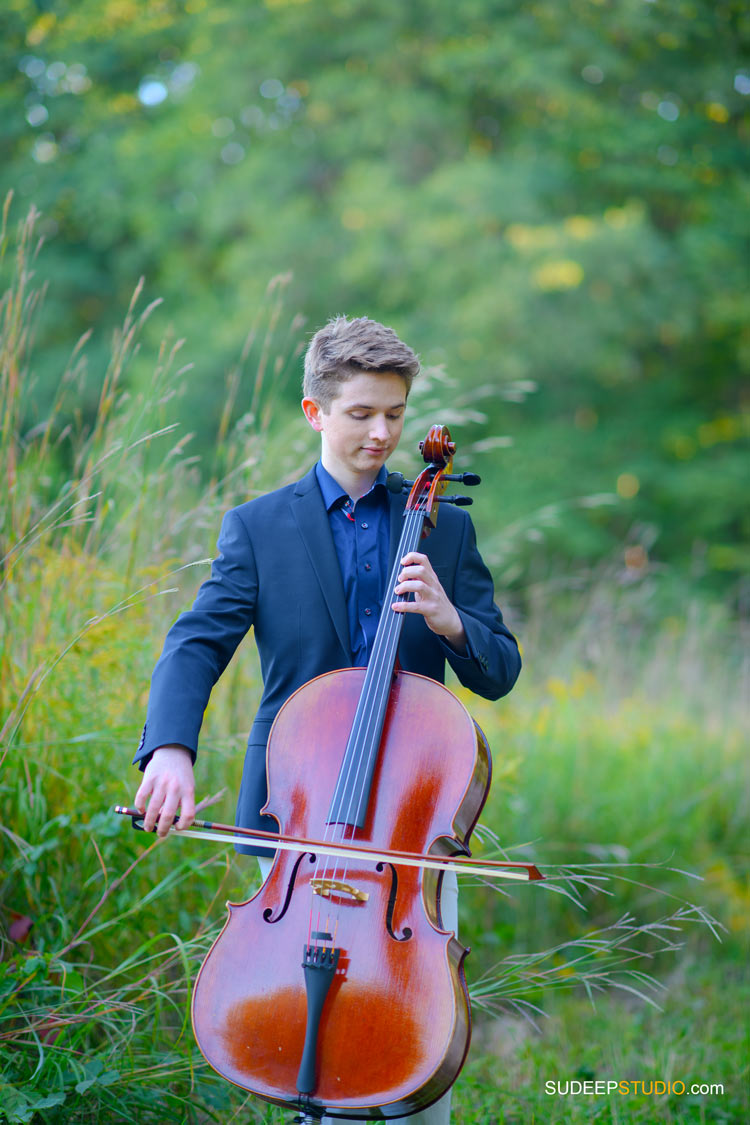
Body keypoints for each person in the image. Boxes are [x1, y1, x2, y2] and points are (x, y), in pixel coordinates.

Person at [132, 315, 521, 1124]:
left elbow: (500, 669)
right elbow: (197, 641)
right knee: (306, 1043)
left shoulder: (448, 529)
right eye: (361, 413)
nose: (381, 433)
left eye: (395, 414)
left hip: (411, 835)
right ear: (315, 412)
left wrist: (453, 622)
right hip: (302, 821)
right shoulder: (259, 526)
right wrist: (169, 749)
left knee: (413, 1066)